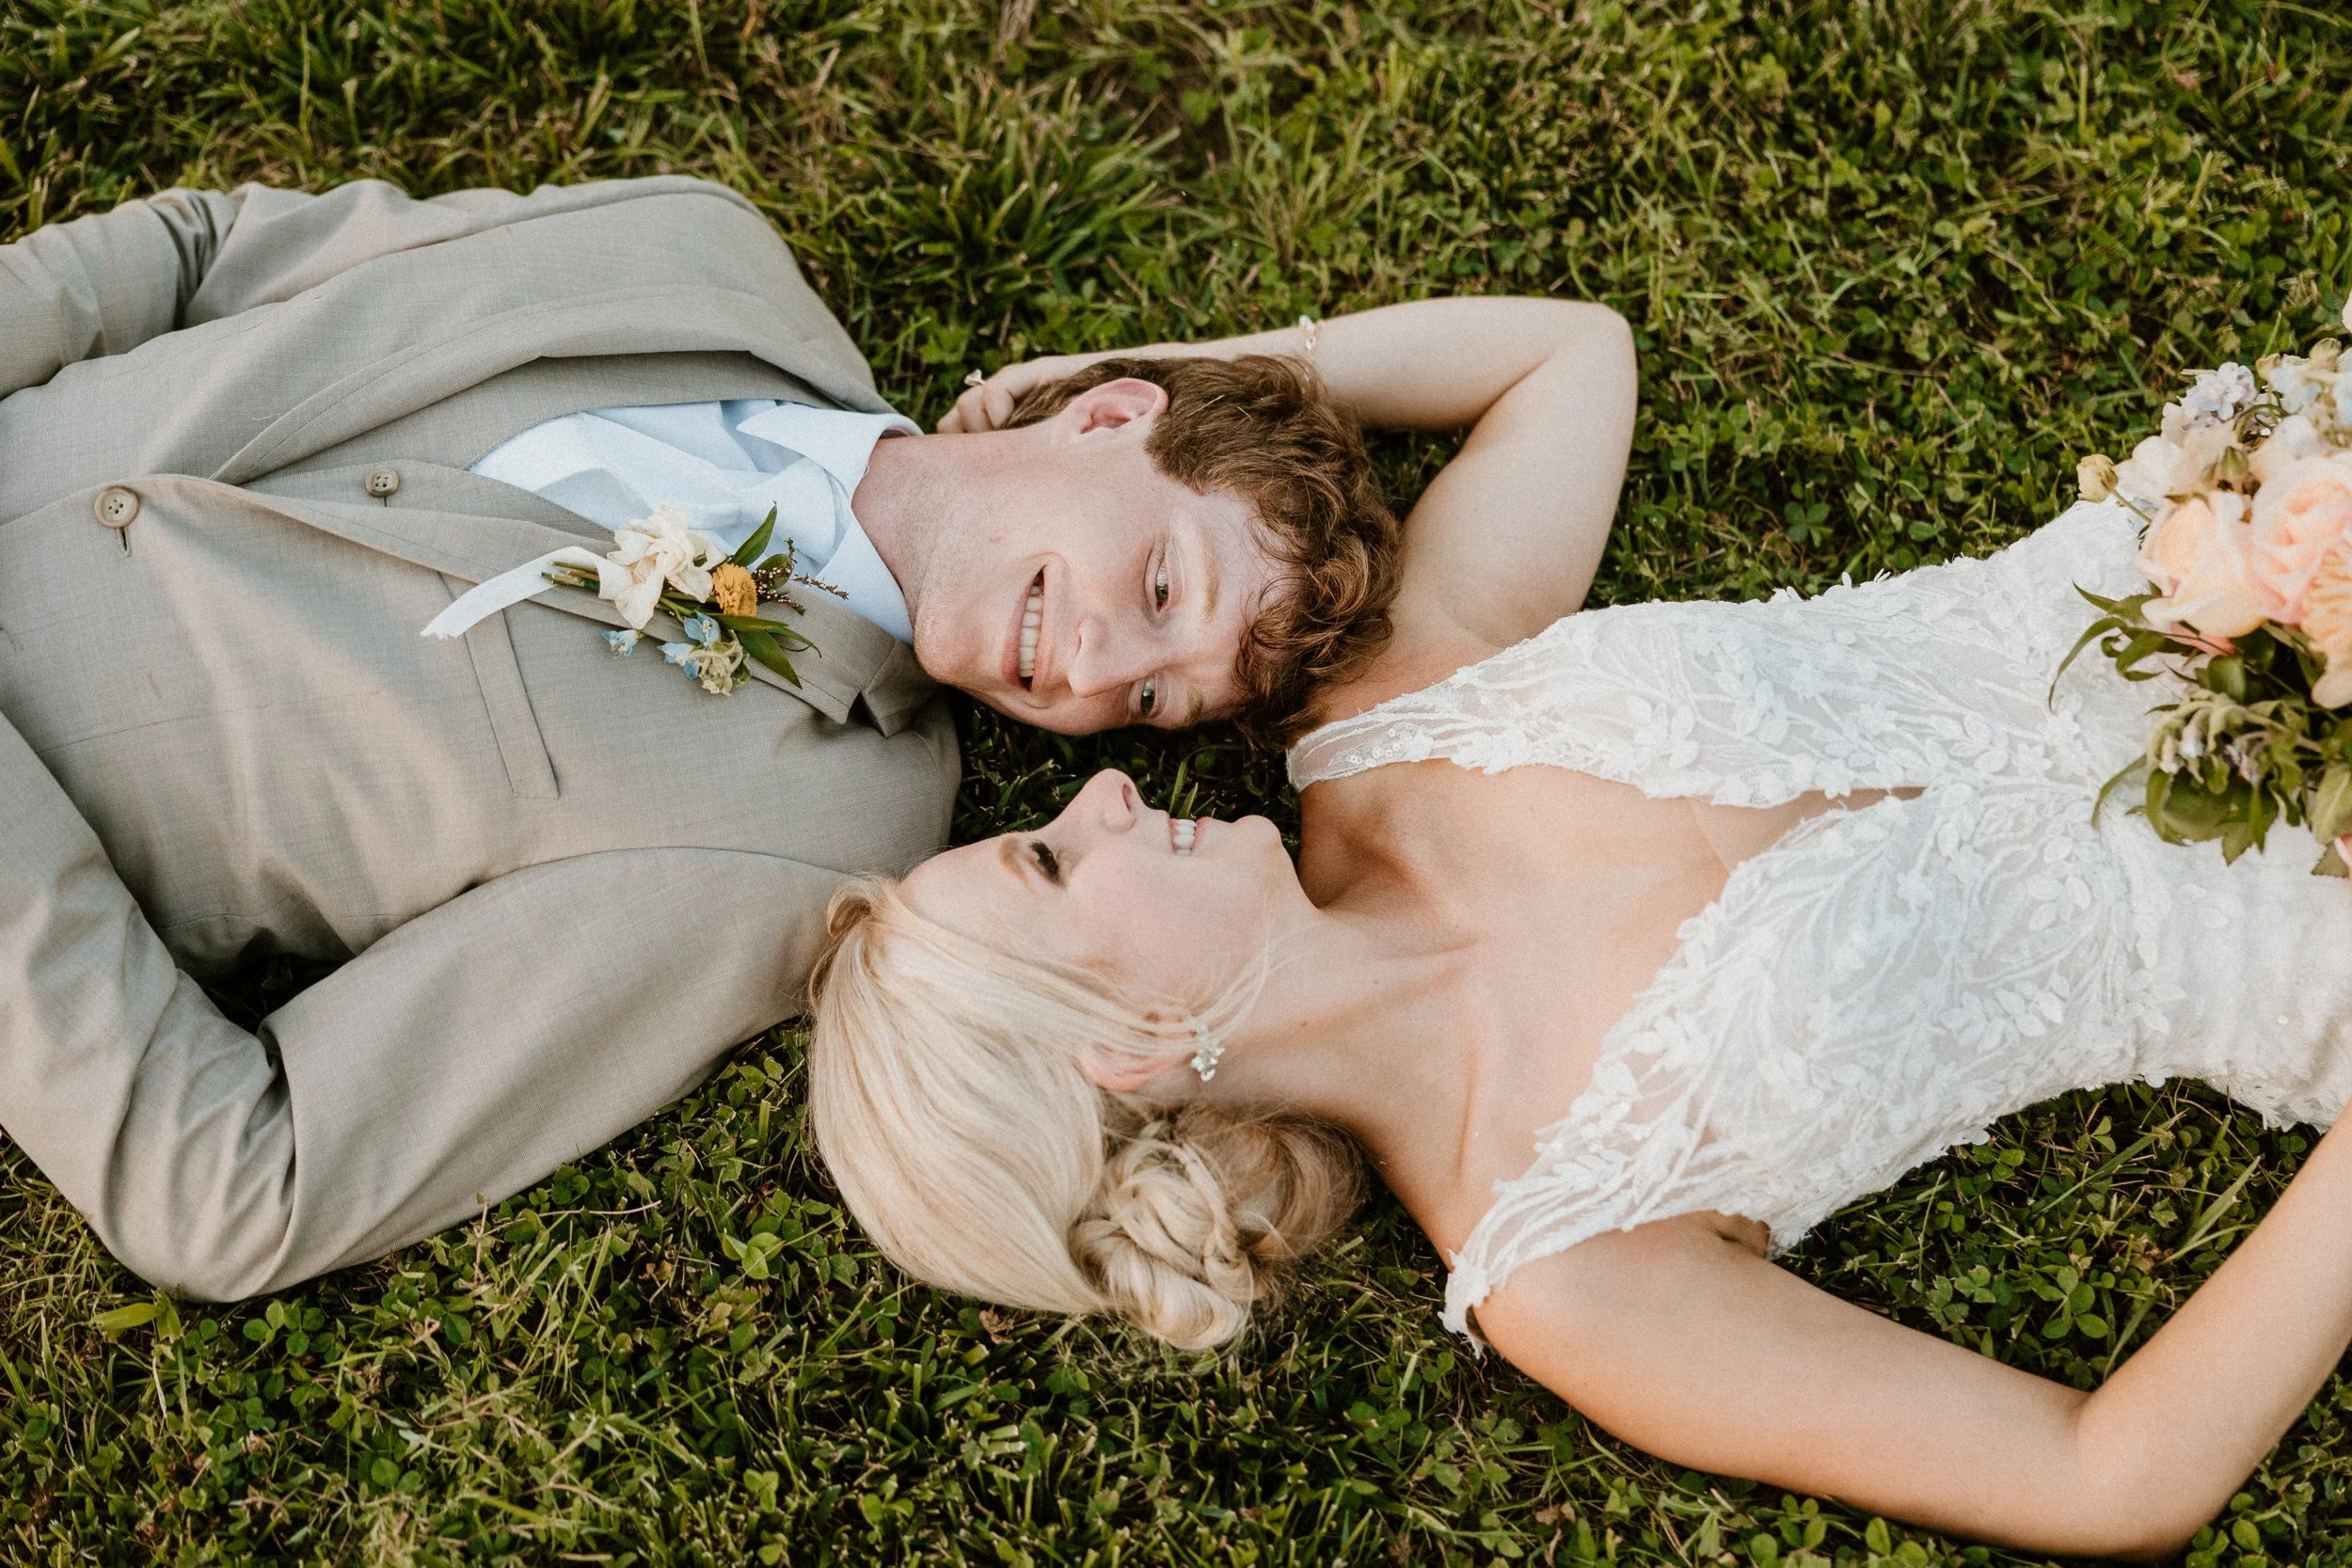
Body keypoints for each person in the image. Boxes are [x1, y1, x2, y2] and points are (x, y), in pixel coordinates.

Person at [809, 296, 2352, 1556]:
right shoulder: (1567, 1263)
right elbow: (2111, 1476)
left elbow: (1567, 353)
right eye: (1051, 864)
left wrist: (1142, 381)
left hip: (2237, 555)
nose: (1097, 798)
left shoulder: (1383, 706)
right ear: (1131, 1052)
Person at [0, 176, 1397, 1300]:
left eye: (1156, 701)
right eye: (1159, 585)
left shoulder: (807, 829)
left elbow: (242, 1190)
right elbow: (207, 253)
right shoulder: (702, 251)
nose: (1101, 669)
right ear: (1107, 413)